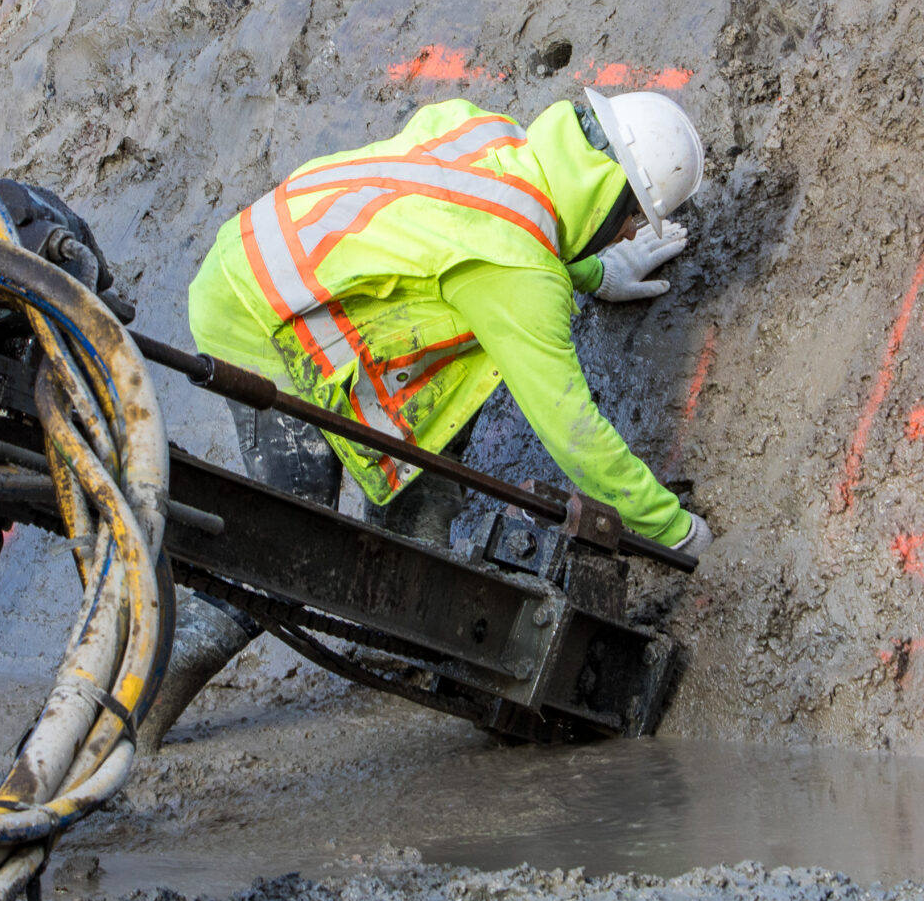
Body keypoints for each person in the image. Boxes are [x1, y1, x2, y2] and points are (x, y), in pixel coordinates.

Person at [145, 87, 713, 746]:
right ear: (608, 196)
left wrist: (592, 270)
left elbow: (487, 228)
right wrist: (675, 532)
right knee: (289, 541)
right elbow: (574, 432)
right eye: (630, 219)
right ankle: (145, 702)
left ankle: (395, 619)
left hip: (274, 254)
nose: (630, 233)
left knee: (426, 475)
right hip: (259, 314)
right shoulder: (518, 273)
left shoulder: (492, 134)